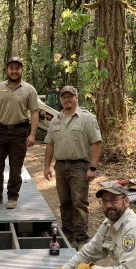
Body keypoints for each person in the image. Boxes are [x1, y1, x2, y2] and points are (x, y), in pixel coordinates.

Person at [44, 86, 102, 250]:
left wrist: (92, 167)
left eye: (71, 96)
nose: (67, 99)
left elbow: (96, 143)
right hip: (61, 166)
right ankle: (68, 234)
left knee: (79, 203)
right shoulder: (55, 120)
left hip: (79, 166)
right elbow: (49, 144)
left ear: (77, 98)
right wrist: (47, 166)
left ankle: (82, 238)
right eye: (64, 97)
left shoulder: (87, 118)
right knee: (64, 202)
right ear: (60, 99)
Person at [0, 57, 39, 209]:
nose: (14, 71)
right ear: (7, 70)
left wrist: (32, 134)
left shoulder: (29, 89)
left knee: (15, 167)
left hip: (20, 131)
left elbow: (34, 112)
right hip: (1, 131)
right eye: (11, 68)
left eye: (17, 68)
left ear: (22, 70)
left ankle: (13, 196)